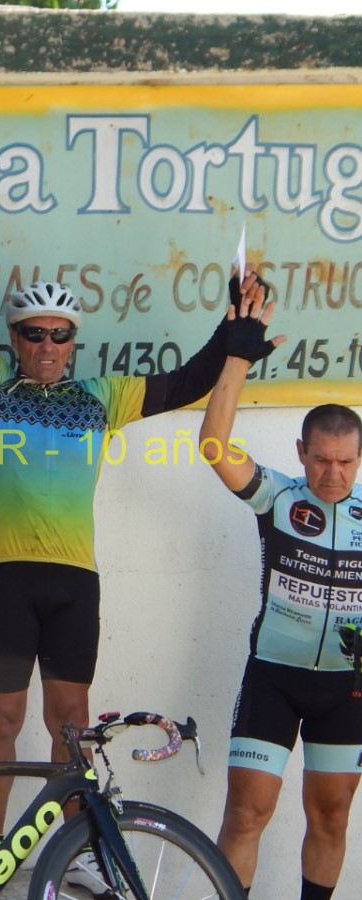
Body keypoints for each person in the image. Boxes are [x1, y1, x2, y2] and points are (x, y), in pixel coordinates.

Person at [0, 117, 241, 891]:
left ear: (74, 342)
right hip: (8, 579)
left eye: (59, 334)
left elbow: (191, 380)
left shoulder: (102, 397)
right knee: (2, 723)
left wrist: (235, 325)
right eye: (33, 333)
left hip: (77, 584)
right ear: (16, 338)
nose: (45, 344)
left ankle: (74, 854)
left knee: (71, 729)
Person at [199, 285, 362, 900]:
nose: (332, 474)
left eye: (345, 462)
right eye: (321, 460)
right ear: (301, 452)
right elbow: (214, 447)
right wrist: (237, 359)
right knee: (247, 812)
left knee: (332, 816)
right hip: (273, 675)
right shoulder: (278, 496)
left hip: (347, 687)